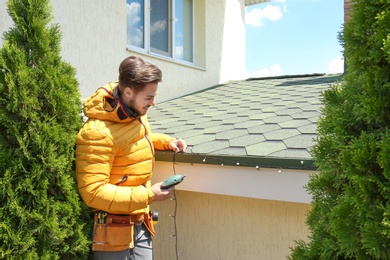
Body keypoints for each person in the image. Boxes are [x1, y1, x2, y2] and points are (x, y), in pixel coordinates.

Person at [75, 56, 187, 260]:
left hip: (141, 222)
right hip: (112, 233)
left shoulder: (134, 111)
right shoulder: (97, 133)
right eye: (148, 98)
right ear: (128, 92)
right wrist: (149, 195)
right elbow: (93, 192)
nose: (153, 103)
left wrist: (165, 142)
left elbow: (132, 140)